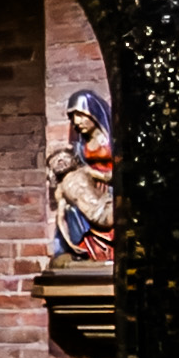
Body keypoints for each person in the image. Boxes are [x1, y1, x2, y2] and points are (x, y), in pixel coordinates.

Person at [48, 86, 119, 261]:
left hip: (112, 185)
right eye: (72, 117)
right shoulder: (81, 146)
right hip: (89, 186)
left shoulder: (113, 140)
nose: (76, 121)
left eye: (80, 115)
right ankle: (83, 251)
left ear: (93, 113)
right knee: (72, 209)